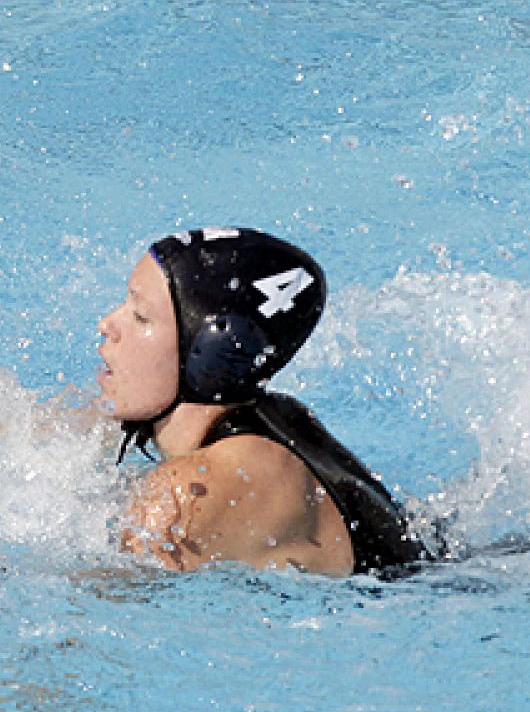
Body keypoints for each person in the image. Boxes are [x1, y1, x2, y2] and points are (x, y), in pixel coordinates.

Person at [97, 227, 437, 576]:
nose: (106, 324)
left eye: (141, 316)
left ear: (213, 352)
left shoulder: (191, 494)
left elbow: (103, 598)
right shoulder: (268, 416)